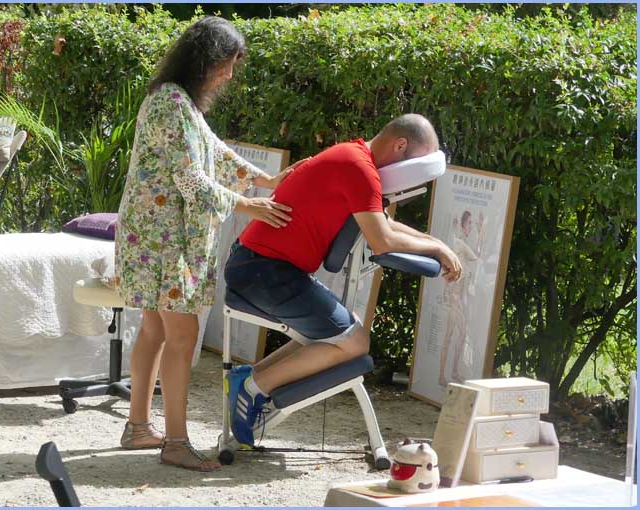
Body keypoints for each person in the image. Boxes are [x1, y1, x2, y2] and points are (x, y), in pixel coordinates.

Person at [114, 16, 298, 471]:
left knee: (156, 330)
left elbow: (215, 151)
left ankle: (138, 427)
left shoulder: (174, 100)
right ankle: (175, 443)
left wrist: (266, 180)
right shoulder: (173, 103)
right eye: (226, 64)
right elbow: (191, 179)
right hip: (164, 240)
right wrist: (248, 204)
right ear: (205, 61)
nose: (229, 75)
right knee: (181, 334)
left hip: (151, 236)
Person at [223, 114, 463, 446]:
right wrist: (435, 247)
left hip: (263, 267)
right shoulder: (359, 169)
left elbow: (382, 224)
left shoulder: (355, 158)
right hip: (264, 271)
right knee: (353, 342)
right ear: (400, 145)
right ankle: (252, 388)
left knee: (341, 334)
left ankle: (248, 378)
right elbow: (382, 240)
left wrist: (436, 243)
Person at [438, 209, 485, 386]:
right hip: (453, 298)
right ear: (463, 225)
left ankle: (450, 372)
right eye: (469, 224)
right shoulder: (460, 244)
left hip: (455, 297)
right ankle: (447, 373)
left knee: (454, 335)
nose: (471, 227)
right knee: (454, 334)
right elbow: (476, 256)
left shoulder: (457, 243)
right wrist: (481, 233)